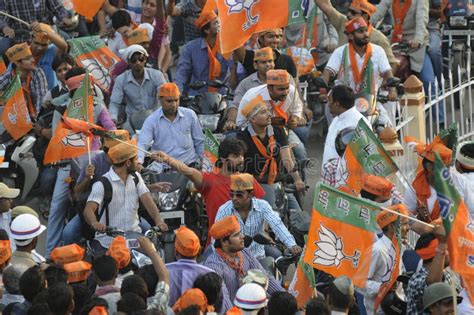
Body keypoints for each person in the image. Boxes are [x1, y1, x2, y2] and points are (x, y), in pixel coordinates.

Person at [45, 67, 116, 257]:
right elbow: (56, 137)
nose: (92, 91)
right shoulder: (61, 110)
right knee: (56, 208)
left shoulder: (99, 107)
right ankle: (50, 254)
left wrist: (98, 130)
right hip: (68, 165)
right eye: (87, 88)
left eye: (91, 87)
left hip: (96, 161)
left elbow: (111, 130)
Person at [83, 142, 168, 251]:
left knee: (151, 258)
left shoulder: (136, 177)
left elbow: (147, 200)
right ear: (128, 163)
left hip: (134, 237)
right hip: (108, 242)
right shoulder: (102, 184)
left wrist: (159, 221)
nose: (138, 162)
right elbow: (88, 210)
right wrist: (94, 223)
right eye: (136, 159)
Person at [236, 94, 305, 210]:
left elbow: (286, 158)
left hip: (278, 186)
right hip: (254, 188)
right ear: (253, 119)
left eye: (268, 111)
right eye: (263, 112)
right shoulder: (242, 138)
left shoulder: (279, 131)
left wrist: (297, 180)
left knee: (298, 216)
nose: (269, 115)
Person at [322, 17, 397, 121]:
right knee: (336, 129)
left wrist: (392, 91)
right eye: (361, 32)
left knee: (387, 131)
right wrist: (322, 91)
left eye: (366, 30)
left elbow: (388, 73)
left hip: (371, 101)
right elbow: (327, 72)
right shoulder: (340, 51)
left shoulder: (378, 51)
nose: (366, 34)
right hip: (345, 103)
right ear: (351, 36)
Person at [214, 173, 302, 261]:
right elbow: (215, 239)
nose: (234, 198)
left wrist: (292, 245)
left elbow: (277, 225)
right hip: (233, 260)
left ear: (251, 194)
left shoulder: (262, 206)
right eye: (231, 194)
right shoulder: (224, 210)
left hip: (258, 258)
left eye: (239, 195)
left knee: (277, 265)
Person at [203, 216, 284, 302]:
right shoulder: (214, 266)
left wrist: (285, 296)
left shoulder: (244, 252)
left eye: (240, 233)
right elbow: (223, 300)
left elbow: (264, 276)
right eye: (236, 235)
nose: (242, 236)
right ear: (224, 242)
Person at [235, 69, 309, 157]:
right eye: (281, 89)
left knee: (299, 150)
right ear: (269, 88)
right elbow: (241, 123)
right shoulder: (252, 96)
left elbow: (297, 107)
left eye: (287, 88)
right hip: (258, 134)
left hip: (284, 130)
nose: (285, 92)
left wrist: (295, 118)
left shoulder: (291, 91)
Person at [370, 0, 433, 100]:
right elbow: (376, 13)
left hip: (415, 47)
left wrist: (418, 39)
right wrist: (364, 26)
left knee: (428, 80)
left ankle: (438, 114)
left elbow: (422, 20)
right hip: (396, 43)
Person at [405, 137, 474, 225]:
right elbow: (405, 216)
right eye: (444, 167)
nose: (447, 171)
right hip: (431, 236)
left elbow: (472, 212)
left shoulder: (459, 181)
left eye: (448, 167)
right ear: (429, 167)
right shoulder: (414, 189)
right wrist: (420, 221)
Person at [137, 82, 204, 171]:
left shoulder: (190, 115)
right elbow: (142, 144)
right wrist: (138, 163)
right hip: (163, 169)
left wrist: (205, 163)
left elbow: (199, 142)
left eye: (176, 100)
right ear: (160, 100)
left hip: (189, 167)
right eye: (169, 101)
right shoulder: (151, 120)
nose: (174, 104)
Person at [313, 0, 397, 69]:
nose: (348, 15)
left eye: (353, 13)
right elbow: (325, 5)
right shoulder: (344, 22)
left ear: (364, 17)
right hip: (342, 81)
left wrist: (383, 84)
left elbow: (392, 64)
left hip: (368, 84)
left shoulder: (379, 39)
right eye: (349, 11)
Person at [166, 226, 232, 311]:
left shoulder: (163, 271)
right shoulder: (211, 274)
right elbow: (225, 307)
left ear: (175, 251)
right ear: (198, 252)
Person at [360, 205, 409, 314]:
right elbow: (359, 283)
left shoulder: (397, 248)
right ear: (392, 227)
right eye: (405, 224)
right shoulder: (377, 250)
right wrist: (383, 287)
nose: (408, 228)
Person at [109, 45, 167, 131]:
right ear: (128, 62)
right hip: (132, 121)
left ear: (145, 60)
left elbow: (164, 96)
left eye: (141, 59)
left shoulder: (157, 75)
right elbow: (114, 103)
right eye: (133, 60)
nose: (138, 62)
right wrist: (113, 118)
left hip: (156, 118)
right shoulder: (121, 79)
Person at [175, 10, 231, 96]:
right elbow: (182, 73)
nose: (219, 25)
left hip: (221, 97)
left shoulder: (227, 47)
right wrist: (177, 93)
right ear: (207, 30)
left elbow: (233, 72)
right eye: (216, 23)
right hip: (197, 97)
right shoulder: (190, 48)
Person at [406, 231, 462, 314]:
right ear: (436, 254)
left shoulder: (447, 274)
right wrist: (442, 244)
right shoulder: (417, 280)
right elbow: (434, 285)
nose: (452, 252)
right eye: (447, 249)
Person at [225, 47, 275, 131]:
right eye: (263, 62)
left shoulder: (283, 78)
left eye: (270, 61)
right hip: (253, 126)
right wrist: (231, 121)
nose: (268, 65)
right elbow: (236, 105)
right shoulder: (246, 83)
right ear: (255, 65)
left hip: (279, 125)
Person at [0, 0, 72, 55]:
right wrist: (5, 27)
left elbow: (58, 8)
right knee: (3, 48)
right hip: (20, 36)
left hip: (45, 33)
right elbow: (2, 16)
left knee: (67, 40)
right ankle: (10, 71)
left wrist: (64, 18)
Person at [322, 84, 369, 165]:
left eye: (329, 100)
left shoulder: (356, 124)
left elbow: (358, 159)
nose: (327, 104)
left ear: (337, 104)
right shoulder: (337, 118)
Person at [0, 43, 48, 119]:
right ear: (18, 63)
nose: (33, 60)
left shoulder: (37, 73)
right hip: (15, 119)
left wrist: (37, 119)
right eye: (28, 58)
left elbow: (41, 98)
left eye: (31, 57)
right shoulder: (8, 76)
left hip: (36, 117)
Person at [30, 22, 68, 89]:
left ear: (49, 43)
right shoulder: (23, 52)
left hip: (51, 94)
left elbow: (64, 46)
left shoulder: (51, 50)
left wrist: (46, 31)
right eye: (36, 43)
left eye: (44, 45)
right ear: (31, 40)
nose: (39, 48)